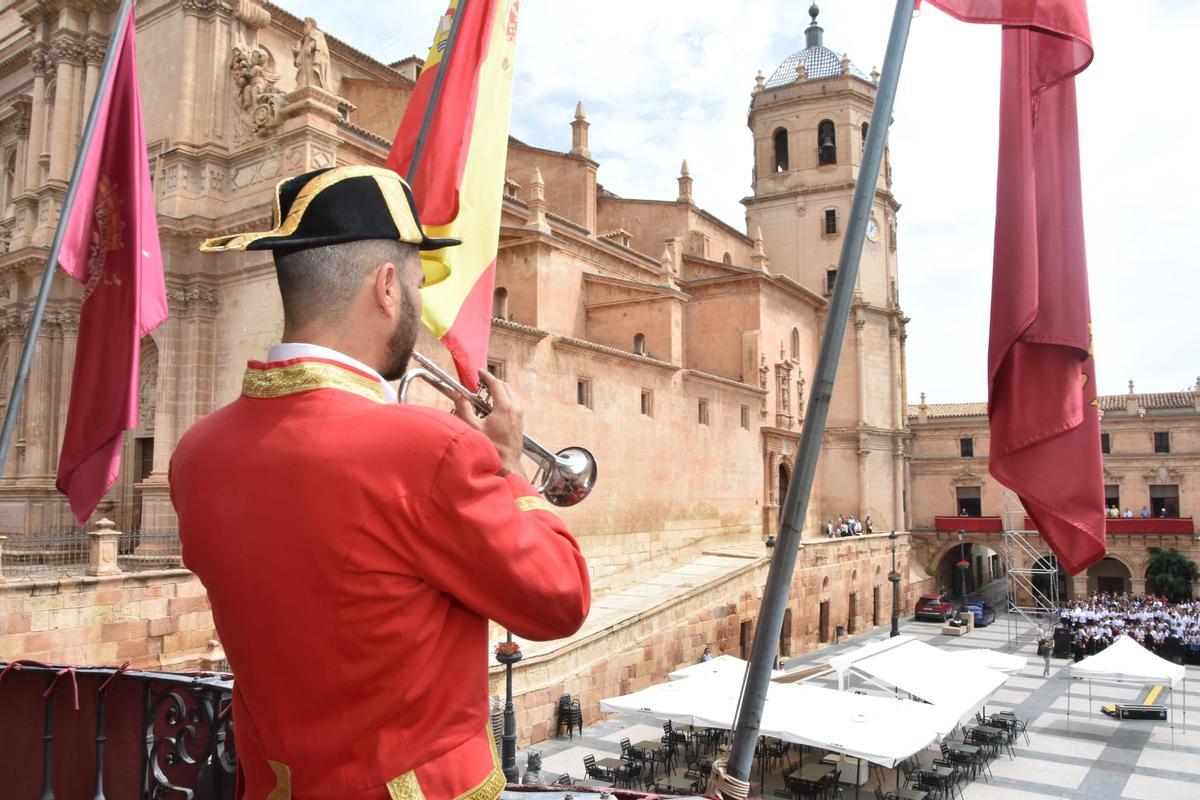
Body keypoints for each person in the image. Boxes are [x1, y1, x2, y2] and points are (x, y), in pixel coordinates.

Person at [171, 166, 591, 799]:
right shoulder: (429, 450)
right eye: (418, 286)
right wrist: (506, 467)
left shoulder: (195, 453)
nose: (418, 308)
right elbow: (560, 599)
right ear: (388, 287)